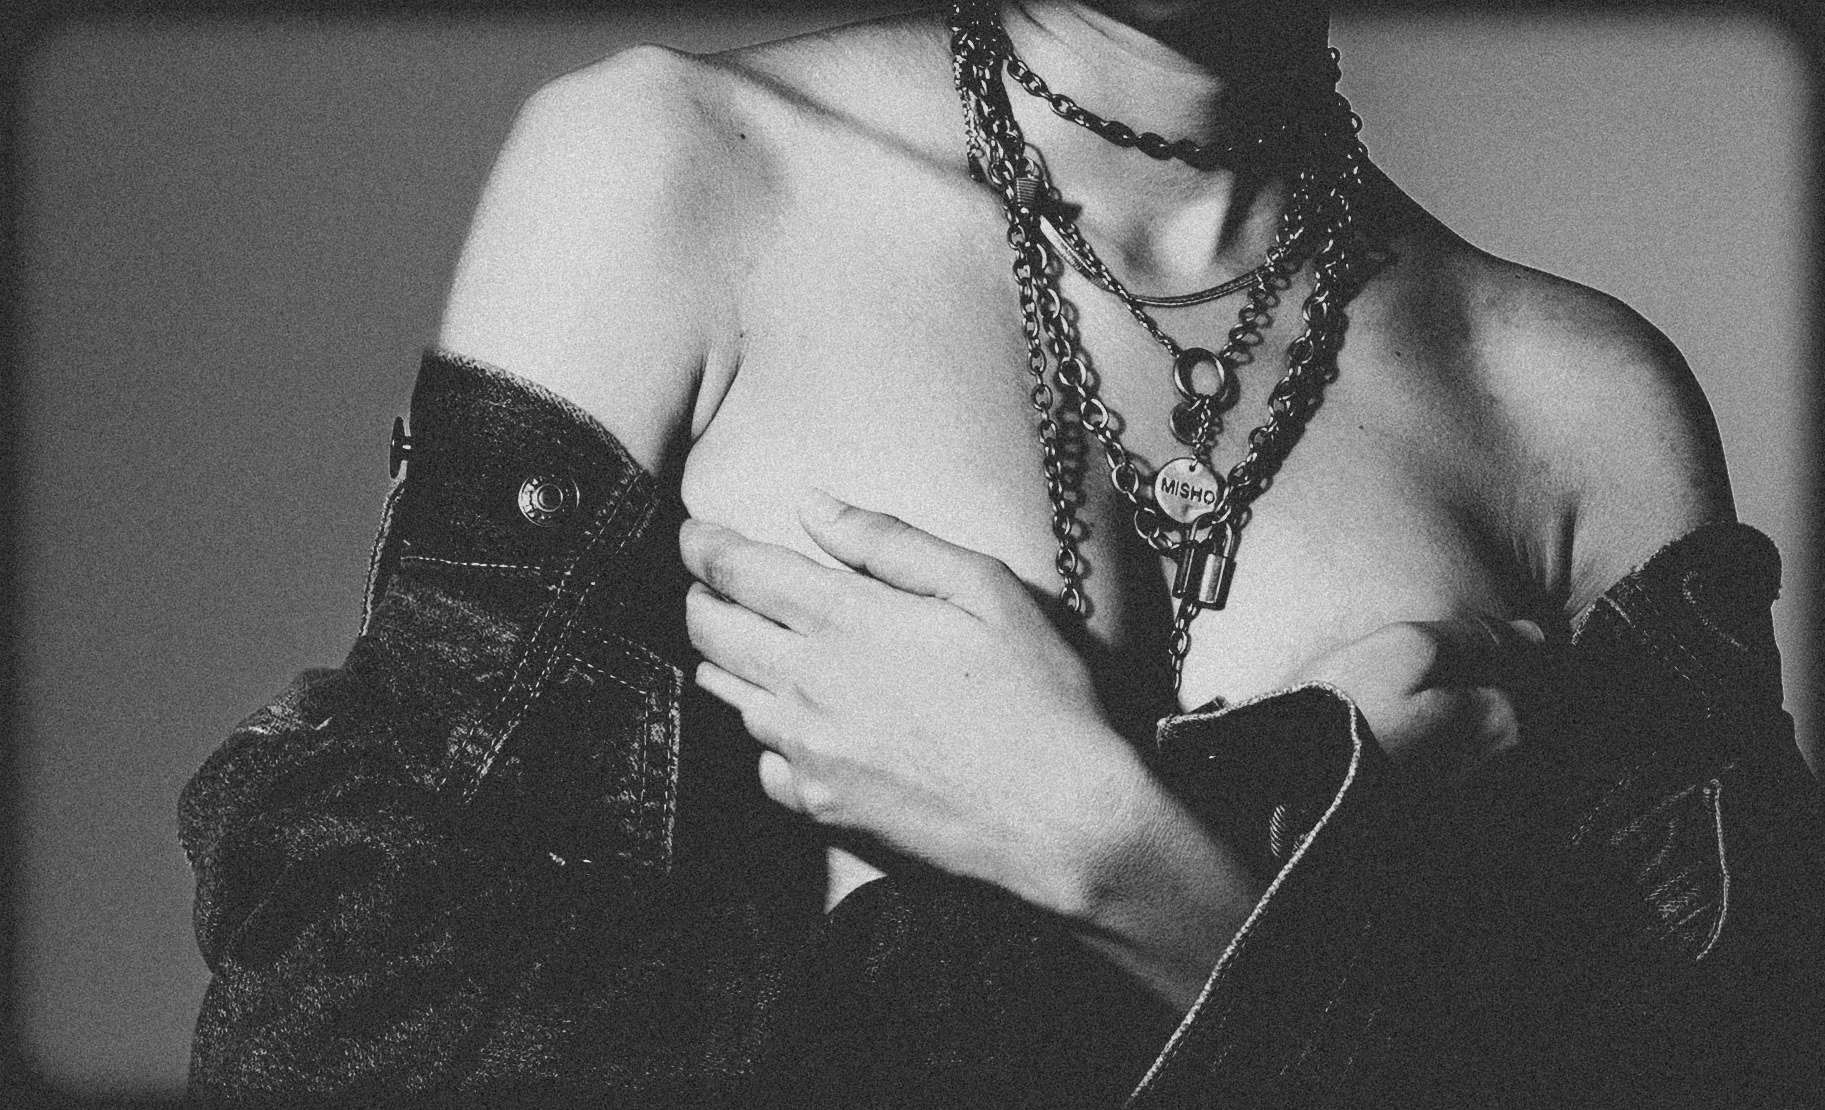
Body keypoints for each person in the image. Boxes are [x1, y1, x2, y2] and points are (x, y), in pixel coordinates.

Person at [179, 1, 1825, 1106]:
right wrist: (1235, 872)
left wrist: (1120, 852)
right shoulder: (679, 172)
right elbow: (335, 1031)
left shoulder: (1576, 411)